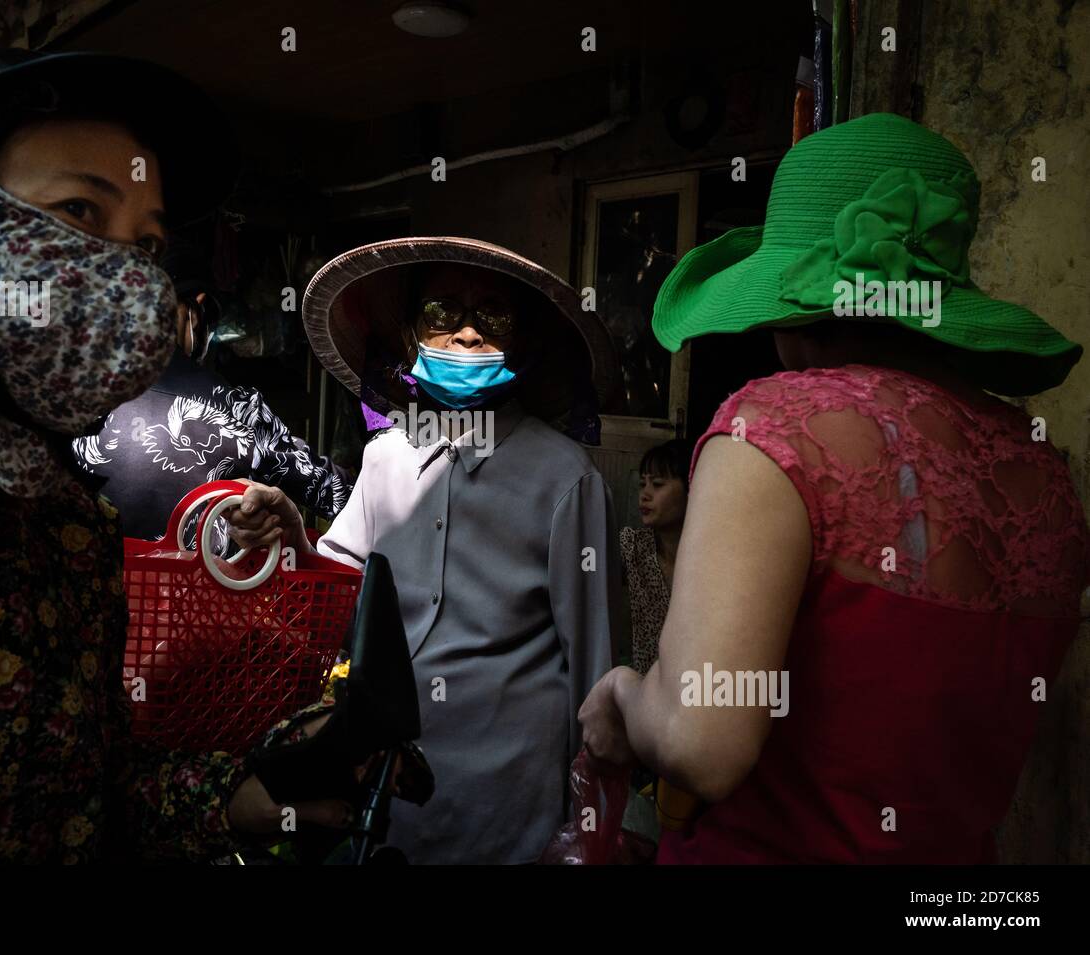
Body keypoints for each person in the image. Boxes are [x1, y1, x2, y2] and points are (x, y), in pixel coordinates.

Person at [0, 53, 365, 863]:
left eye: (148, 243)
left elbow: (83, 787)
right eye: (81, 211)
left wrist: (236, 799)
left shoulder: (68, 527)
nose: (126, 279)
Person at [579, 112, 1089, 863]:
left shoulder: (777, 427)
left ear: (795, 305)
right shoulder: (1044, 474)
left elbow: (702, 739)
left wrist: (624, 692)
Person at [226, 237, 622, 863]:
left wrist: (588, 818)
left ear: (522, 340)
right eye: (442, 312)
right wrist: (294, 539)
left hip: (509, 793)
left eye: (491, 315)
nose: (465, 334)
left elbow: (593, 662)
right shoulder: (385, 456)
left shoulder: (564, 477)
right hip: (391, 784)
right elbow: (342, 590)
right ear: (411, 334)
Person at [73, 240, 352, 542]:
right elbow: (338, 495)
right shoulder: (238, 409)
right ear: (194, 311)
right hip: (196, 588)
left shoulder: (73, 400)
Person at [621, 439, 691, 676]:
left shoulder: (711, 557)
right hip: (646, 691)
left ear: (693, 489)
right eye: (642, 484)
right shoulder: (632, 546)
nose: (645, 495)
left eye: (658, 484)